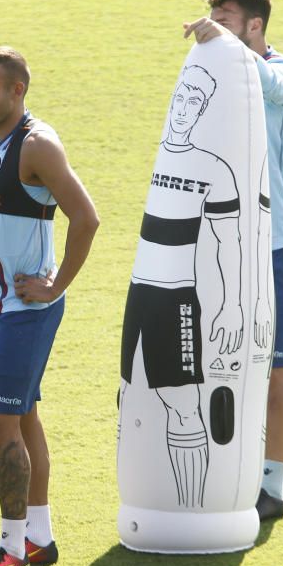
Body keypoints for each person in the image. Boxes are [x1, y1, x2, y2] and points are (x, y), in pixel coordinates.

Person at [0, 48, 98, 566]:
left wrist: (54, 284)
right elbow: (1, 213)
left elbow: (86, 218)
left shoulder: (37, 145)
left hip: (22, 311)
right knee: (23, 417)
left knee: (1, 422)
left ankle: (10, 547)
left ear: (18, 91)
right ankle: (38, 538)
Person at [184, 0, 283, 521]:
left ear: (255, 26)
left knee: (274, 366)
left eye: (228, 21)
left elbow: (272, 84)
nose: (215, 30)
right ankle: (247, 465)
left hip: (279, 247)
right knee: (229, 358)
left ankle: (273, 485)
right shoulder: (221, 74)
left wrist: (226, 45)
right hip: (228, 244)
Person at [119, 63, 243, 509]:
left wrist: (231, 305)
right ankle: (141, 502)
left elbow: (230, 239)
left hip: (175, 298)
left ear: (203, 110)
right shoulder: (158, 155)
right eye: (182, 96)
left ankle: (192, 510)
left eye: (196, 101)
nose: (185, 107)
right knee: (128, 394)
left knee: (183, 403)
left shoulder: (213, 168)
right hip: (139, 291)